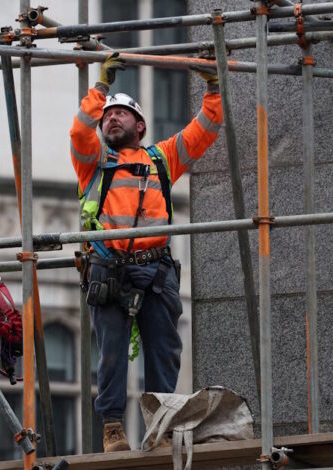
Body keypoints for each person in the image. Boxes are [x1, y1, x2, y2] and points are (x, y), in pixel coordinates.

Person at [70, 53, 222, 452]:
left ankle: (162, 425)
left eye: (121, 114)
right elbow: (78, 131)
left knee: (164, 350)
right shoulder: (94, 163)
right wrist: (99, 88)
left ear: (139, 125)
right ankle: (113, 428)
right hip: (109, 269)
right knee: (112, 355)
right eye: (108, 115)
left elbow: (203, 131)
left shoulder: (161, 160)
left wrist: (213, 88)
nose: (111, 118)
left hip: (154, 270)